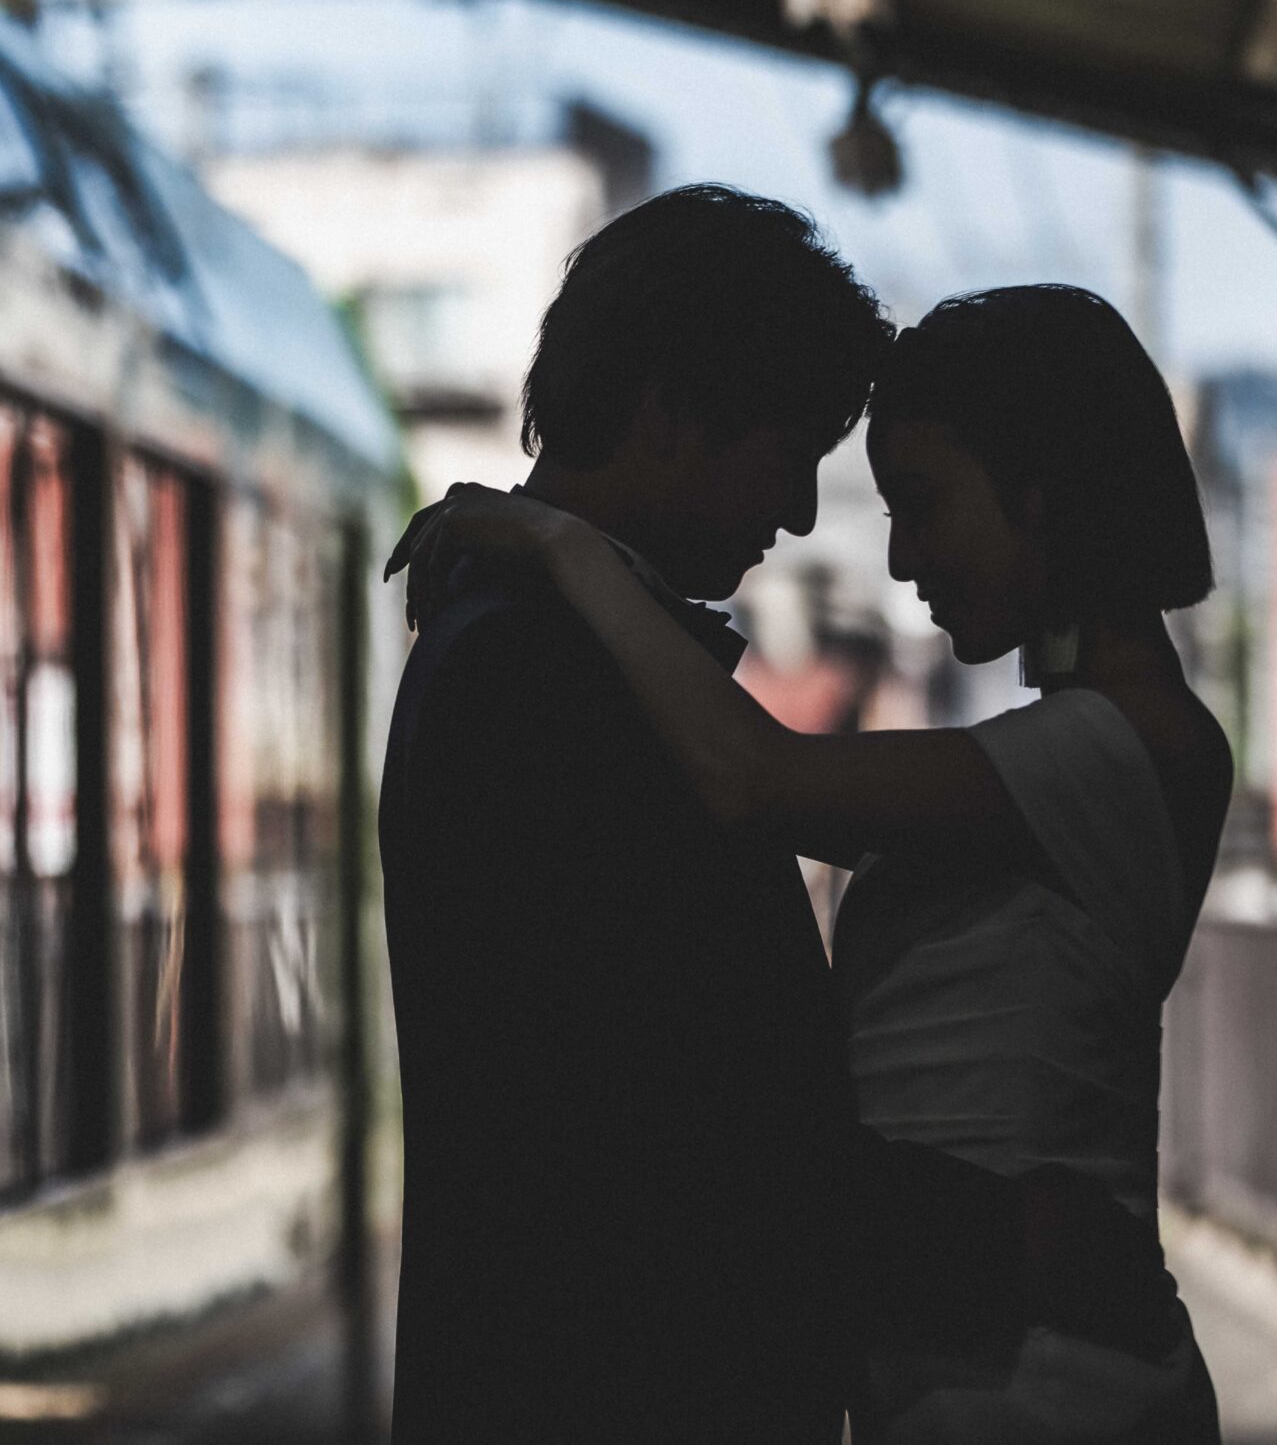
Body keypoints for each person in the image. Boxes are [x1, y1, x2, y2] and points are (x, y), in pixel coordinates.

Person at [378, 190, 1150, 1445]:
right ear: (672, 409)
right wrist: (1012, 1235)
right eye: (789, 448)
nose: (798, 513)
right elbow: (670, 1142)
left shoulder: (541, 652)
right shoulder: (547, 682)